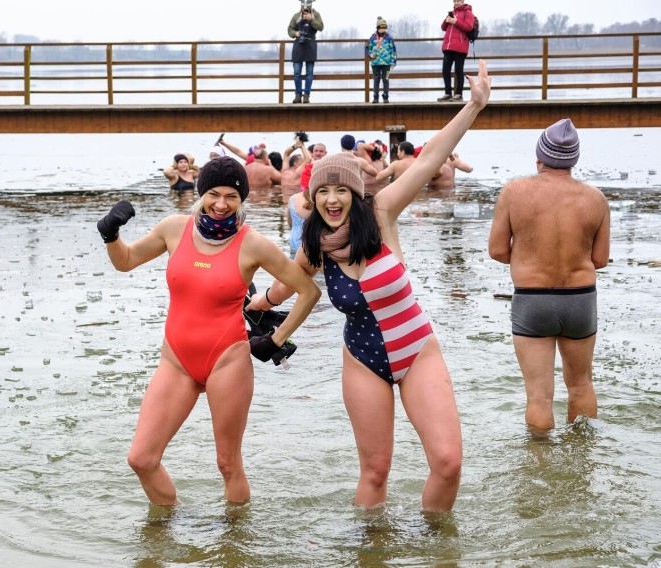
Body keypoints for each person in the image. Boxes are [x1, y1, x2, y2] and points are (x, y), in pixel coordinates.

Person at [247, 60, 491, 511]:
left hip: (416, 350)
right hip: (362, 359)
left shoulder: (383, 214)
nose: (333, 199)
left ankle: (437, 547)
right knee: (375, 472)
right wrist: (253, 302)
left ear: (356, 193)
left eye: (341, 190)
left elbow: (431, 158)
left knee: (448, 462)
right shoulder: (317, 244)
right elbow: (287, 286)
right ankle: (371, 551)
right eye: (323, 192)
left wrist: (473, 106)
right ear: (314, 198)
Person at [97, 156, 320, 506]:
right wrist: (111, 234)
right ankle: (168, 530)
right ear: (201, 194)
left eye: (231, 196)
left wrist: (275, 340)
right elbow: (125, 262)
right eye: (214, 194)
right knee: (141, 458)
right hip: (176, 360)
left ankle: (233, 544)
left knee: (228, 463)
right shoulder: (174, 228)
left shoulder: (254, 244)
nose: (221, 204)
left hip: (227, 360)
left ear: (241, 199)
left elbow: (308, 291)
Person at [488, 118, 610, 436]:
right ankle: (582, 462)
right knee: (581, 384)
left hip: (533, 298)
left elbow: (497, 251)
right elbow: (600, 259)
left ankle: (541, 469)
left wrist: (529, 255)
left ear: (539, 158)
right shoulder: (596, 199)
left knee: (539, 396)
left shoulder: (514, 192)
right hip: (580, 299)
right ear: (574, 160)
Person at [438, 0, 475, 102]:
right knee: (445, 70)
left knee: (458, 71)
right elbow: (443, 27)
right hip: (448, 47)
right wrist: (447, 20)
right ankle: (448, 93)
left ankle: (459, 94)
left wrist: (455, 21)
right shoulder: (452, 13)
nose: (456, 3)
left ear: (462, 1)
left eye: (458, 1)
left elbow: (469, 27)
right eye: (454, 1)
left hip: (460, 47)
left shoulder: (468, 12)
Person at [288, 2, 324, 104]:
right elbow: (289, 29)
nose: (305, 7)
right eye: (303, 4)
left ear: (311, 4)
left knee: (309, 72)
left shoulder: (316, 14)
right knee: (296, 72)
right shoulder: (296, 16)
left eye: (307, 4)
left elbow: (321, 27)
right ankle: (298, 95)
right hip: (299, 44)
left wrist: (311, 19)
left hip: (310, 45)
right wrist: (295, 33)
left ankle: (306, 95)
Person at [367, 17, 398, 104]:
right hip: (375, 63)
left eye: (385, 27)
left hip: (387, 63)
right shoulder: (373, 38)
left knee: (386, 79)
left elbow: (393, 50)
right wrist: (370, 55)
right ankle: (375, 97)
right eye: (381, 27)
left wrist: (394, 61)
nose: (383, 29)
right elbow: (368, 48)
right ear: (377, 28)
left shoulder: (389, 38)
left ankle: (385, 96)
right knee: (376, 79)